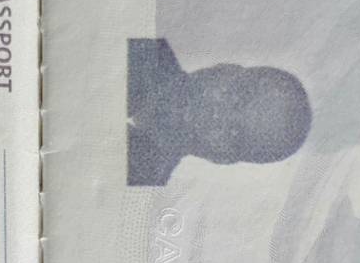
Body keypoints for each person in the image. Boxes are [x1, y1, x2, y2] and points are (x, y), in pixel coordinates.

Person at [126, 38, 311, 187]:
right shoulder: (140, 42)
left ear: (222, 158)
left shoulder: (138, 181)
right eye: (234, 97)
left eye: (234, 132)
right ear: (225, 69)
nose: (214, 115)